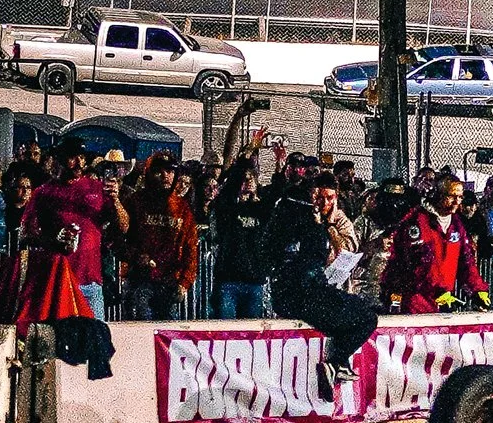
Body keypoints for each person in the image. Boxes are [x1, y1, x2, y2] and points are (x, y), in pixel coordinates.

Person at [266, 179, 380, 403]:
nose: (323, 203)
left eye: (329, 198)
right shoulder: (305, 224)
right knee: (366, 318)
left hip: (299, 292)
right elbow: (315, 257)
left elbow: (344, 250)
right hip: (308, 293)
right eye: (318, 198)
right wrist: (321, 226)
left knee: (350, 314)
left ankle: (338, 363)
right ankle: (335, 361)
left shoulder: (288, 221)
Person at [19, 139, 128, 319]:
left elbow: (123, 227)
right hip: (57, 280)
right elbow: (25, 235)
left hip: (90, 282)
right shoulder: (43, 192)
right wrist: (54, 240)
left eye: (82, 157)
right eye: (72, 157)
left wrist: (116, 200)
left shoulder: (98, 188)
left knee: (94, 340)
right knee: (59, 340)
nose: (79, 163)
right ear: (59, 159)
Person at [382, 172, 490, 313]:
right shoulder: (417, 222)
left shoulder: (456, 224)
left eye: (460, 196)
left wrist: (477, 289)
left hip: (442, 300)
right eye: (451, 196)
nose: (457, 201)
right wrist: (439, 290)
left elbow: (466, 261)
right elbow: (418, 265)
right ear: (437, 194)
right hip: (415, 301)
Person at [121, 156, 199, 319]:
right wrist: (135, 256)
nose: (165, 176)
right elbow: (116, 238)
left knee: (167, 336)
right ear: (150, 174)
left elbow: (191, 247)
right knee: (142, 332)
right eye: (159, 171)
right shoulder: (135, 202)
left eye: (170, 171)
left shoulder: (182, 207)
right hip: (140, 280)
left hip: (170, 282)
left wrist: (185, 282)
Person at [210, 160, 274, 317]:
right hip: (229, 279)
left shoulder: (261, 207)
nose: (248, 182)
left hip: (254, 279)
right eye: (244, 179)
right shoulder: (227, 207)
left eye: (252, 178)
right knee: (227, 330)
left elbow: (277, 192)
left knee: (250, 334)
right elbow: (222, 197)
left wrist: (278, 165)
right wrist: (241, 164)